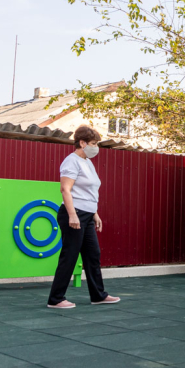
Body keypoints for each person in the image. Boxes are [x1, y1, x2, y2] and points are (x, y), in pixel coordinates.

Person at [47, 126, 120, 309]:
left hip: (87, 215)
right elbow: (65, 190)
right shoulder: (71, 161)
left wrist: (94, 213)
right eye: (93, 144)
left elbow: (88, 191)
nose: (96, 148)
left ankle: (98, 295)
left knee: (93, 255)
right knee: (70, 256)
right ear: (82, 143)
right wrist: (73, 215)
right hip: (74, 214)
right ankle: (55, 299)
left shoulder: (87, 162)